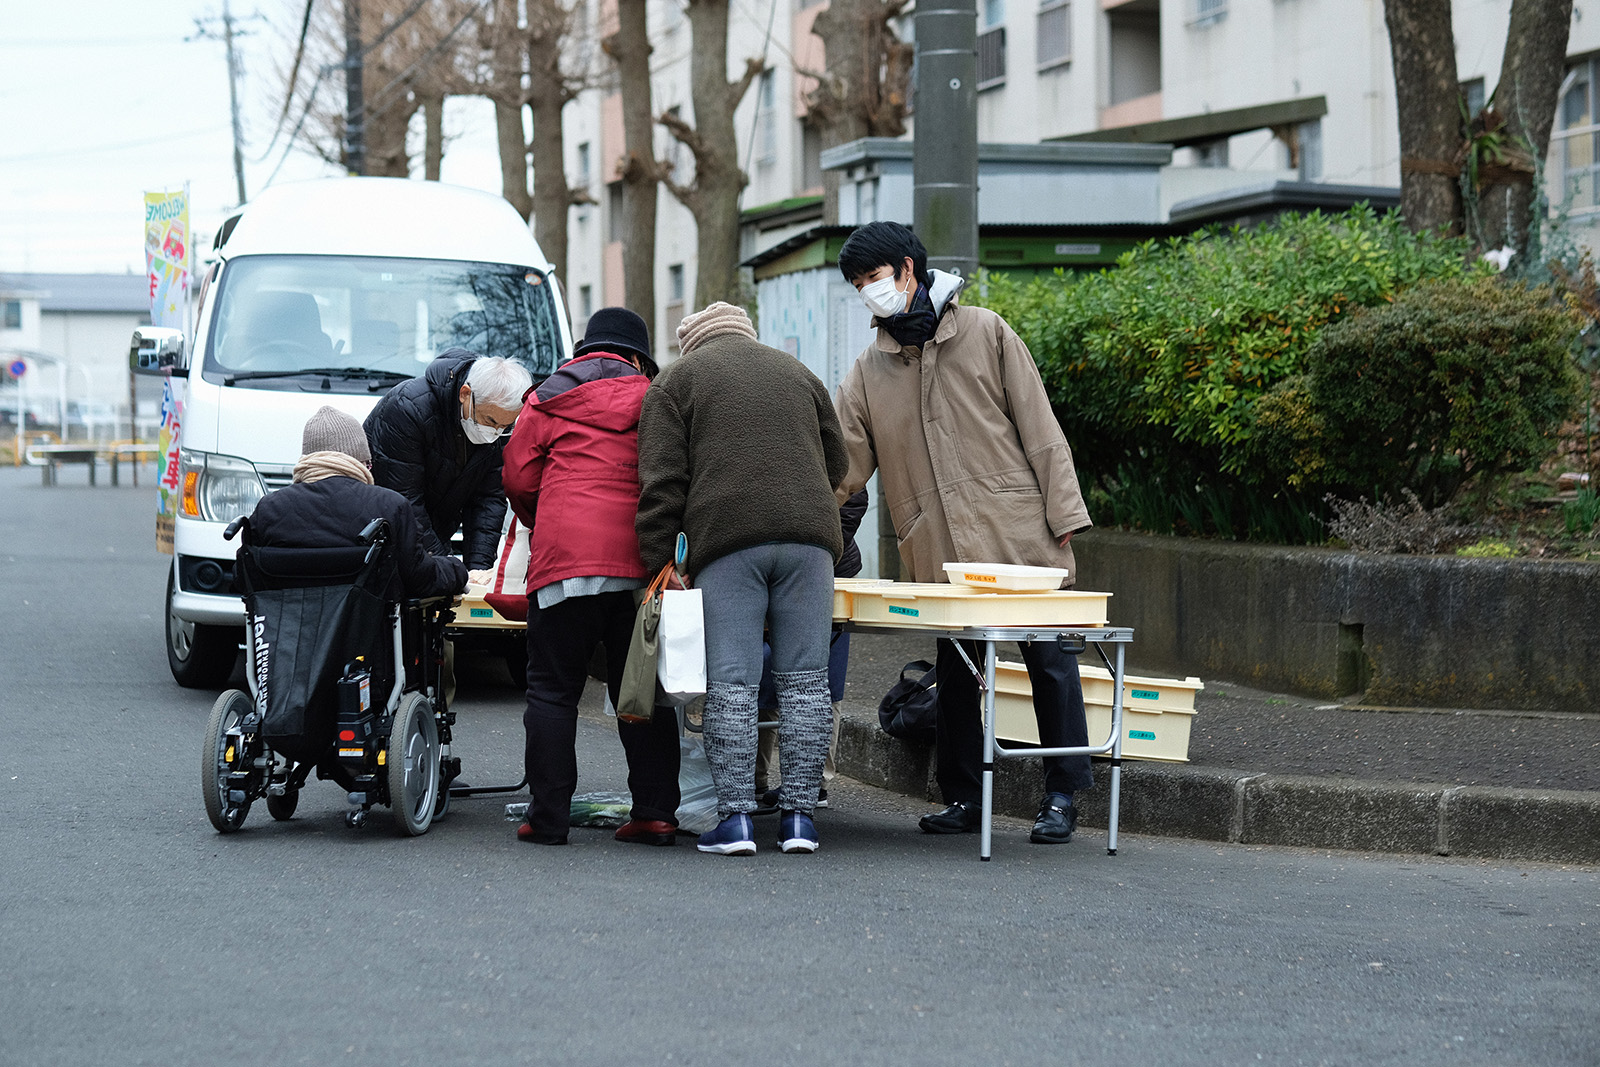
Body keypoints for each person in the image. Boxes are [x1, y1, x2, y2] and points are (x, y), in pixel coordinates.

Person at [832, 220, 1094, 845]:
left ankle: (1061, 794)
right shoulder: (869, 371)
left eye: (874, 277)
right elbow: (839, 467)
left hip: (1018, 532)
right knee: (956, 670)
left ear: (908, 269)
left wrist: (1065, 518)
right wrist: (802, 522)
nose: (870, 291)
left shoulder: (985, 331)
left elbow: (1041, 428)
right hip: (939, 546)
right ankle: (963, 797)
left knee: (1048, 662)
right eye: (858, 284)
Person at [636, 302, 849, 856]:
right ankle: (800, 818)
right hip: (810, 541)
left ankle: (736, 822)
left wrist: (662, 564)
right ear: (748, 334)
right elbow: (838, 464)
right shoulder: (797, 372)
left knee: (734, 684)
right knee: (806, 682)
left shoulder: (675, 382)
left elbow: (662, 486)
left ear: (693, 343)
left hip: (728, 541)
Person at [501, 308, 680, 847]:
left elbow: (517, 476)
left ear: (584, 351)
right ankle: (654, 814)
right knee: (641, 692)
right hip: (640, 569)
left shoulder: (545, 398)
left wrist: (547, 518)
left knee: (553, 693)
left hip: (564, 563)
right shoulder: (656, 398)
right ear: (635, 357)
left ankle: (549, 817)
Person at [247, 405, 468, 603]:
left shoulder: (268, 508)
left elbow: (245, 576)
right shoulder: (390, 506)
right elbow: (420, 579)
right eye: (368, 463)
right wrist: (457, 569)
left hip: (287, 640)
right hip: (369, 642)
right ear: (360, 462)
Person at [364, 349, 533, 577]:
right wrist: (447, 569)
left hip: (431, 536)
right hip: (380, 540)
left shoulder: (498, 430)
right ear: (465, 394)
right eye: (490, 421)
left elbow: (488, 500)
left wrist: (478, 571)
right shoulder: (408, 407)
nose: (495, 432)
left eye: (505, 426)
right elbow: (405, 500)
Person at [754, 489, 869, 808]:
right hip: (760, 563)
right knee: (757, 670)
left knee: (825, 677)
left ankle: (814, 779)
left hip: (828, 568)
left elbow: (854, 494)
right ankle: (754, 776)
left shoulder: (831, 439)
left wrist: (823, 548)